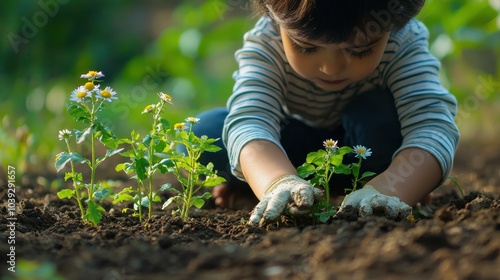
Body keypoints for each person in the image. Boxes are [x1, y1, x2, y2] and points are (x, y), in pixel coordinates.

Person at [183, 0, 460, 226]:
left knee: (383, 117)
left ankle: (374, 194)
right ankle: (284, 192)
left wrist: (394, 188)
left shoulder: (403, 41)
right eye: (306, 46)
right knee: (203, 135)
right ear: (273, 14)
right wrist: (277, 182)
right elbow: (251, 119)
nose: (331, 67)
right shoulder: (267, 42)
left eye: (360, 49)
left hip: (367, 155)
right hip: (295, 154)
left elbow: (433, 126)